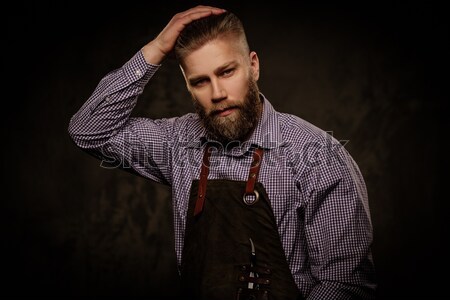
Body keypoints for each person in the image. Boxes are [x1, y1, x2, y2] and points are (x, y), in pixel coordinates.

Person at [68, 5, 376, 299]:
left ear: (252, 65)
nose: (217, 94)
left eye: (227, 72)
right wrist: (156, 49)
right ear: (188, 86)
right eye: (200, 82)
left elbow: (344, 284)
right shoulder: (178, 142)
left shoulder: (317, 154)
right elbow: (89, 131)